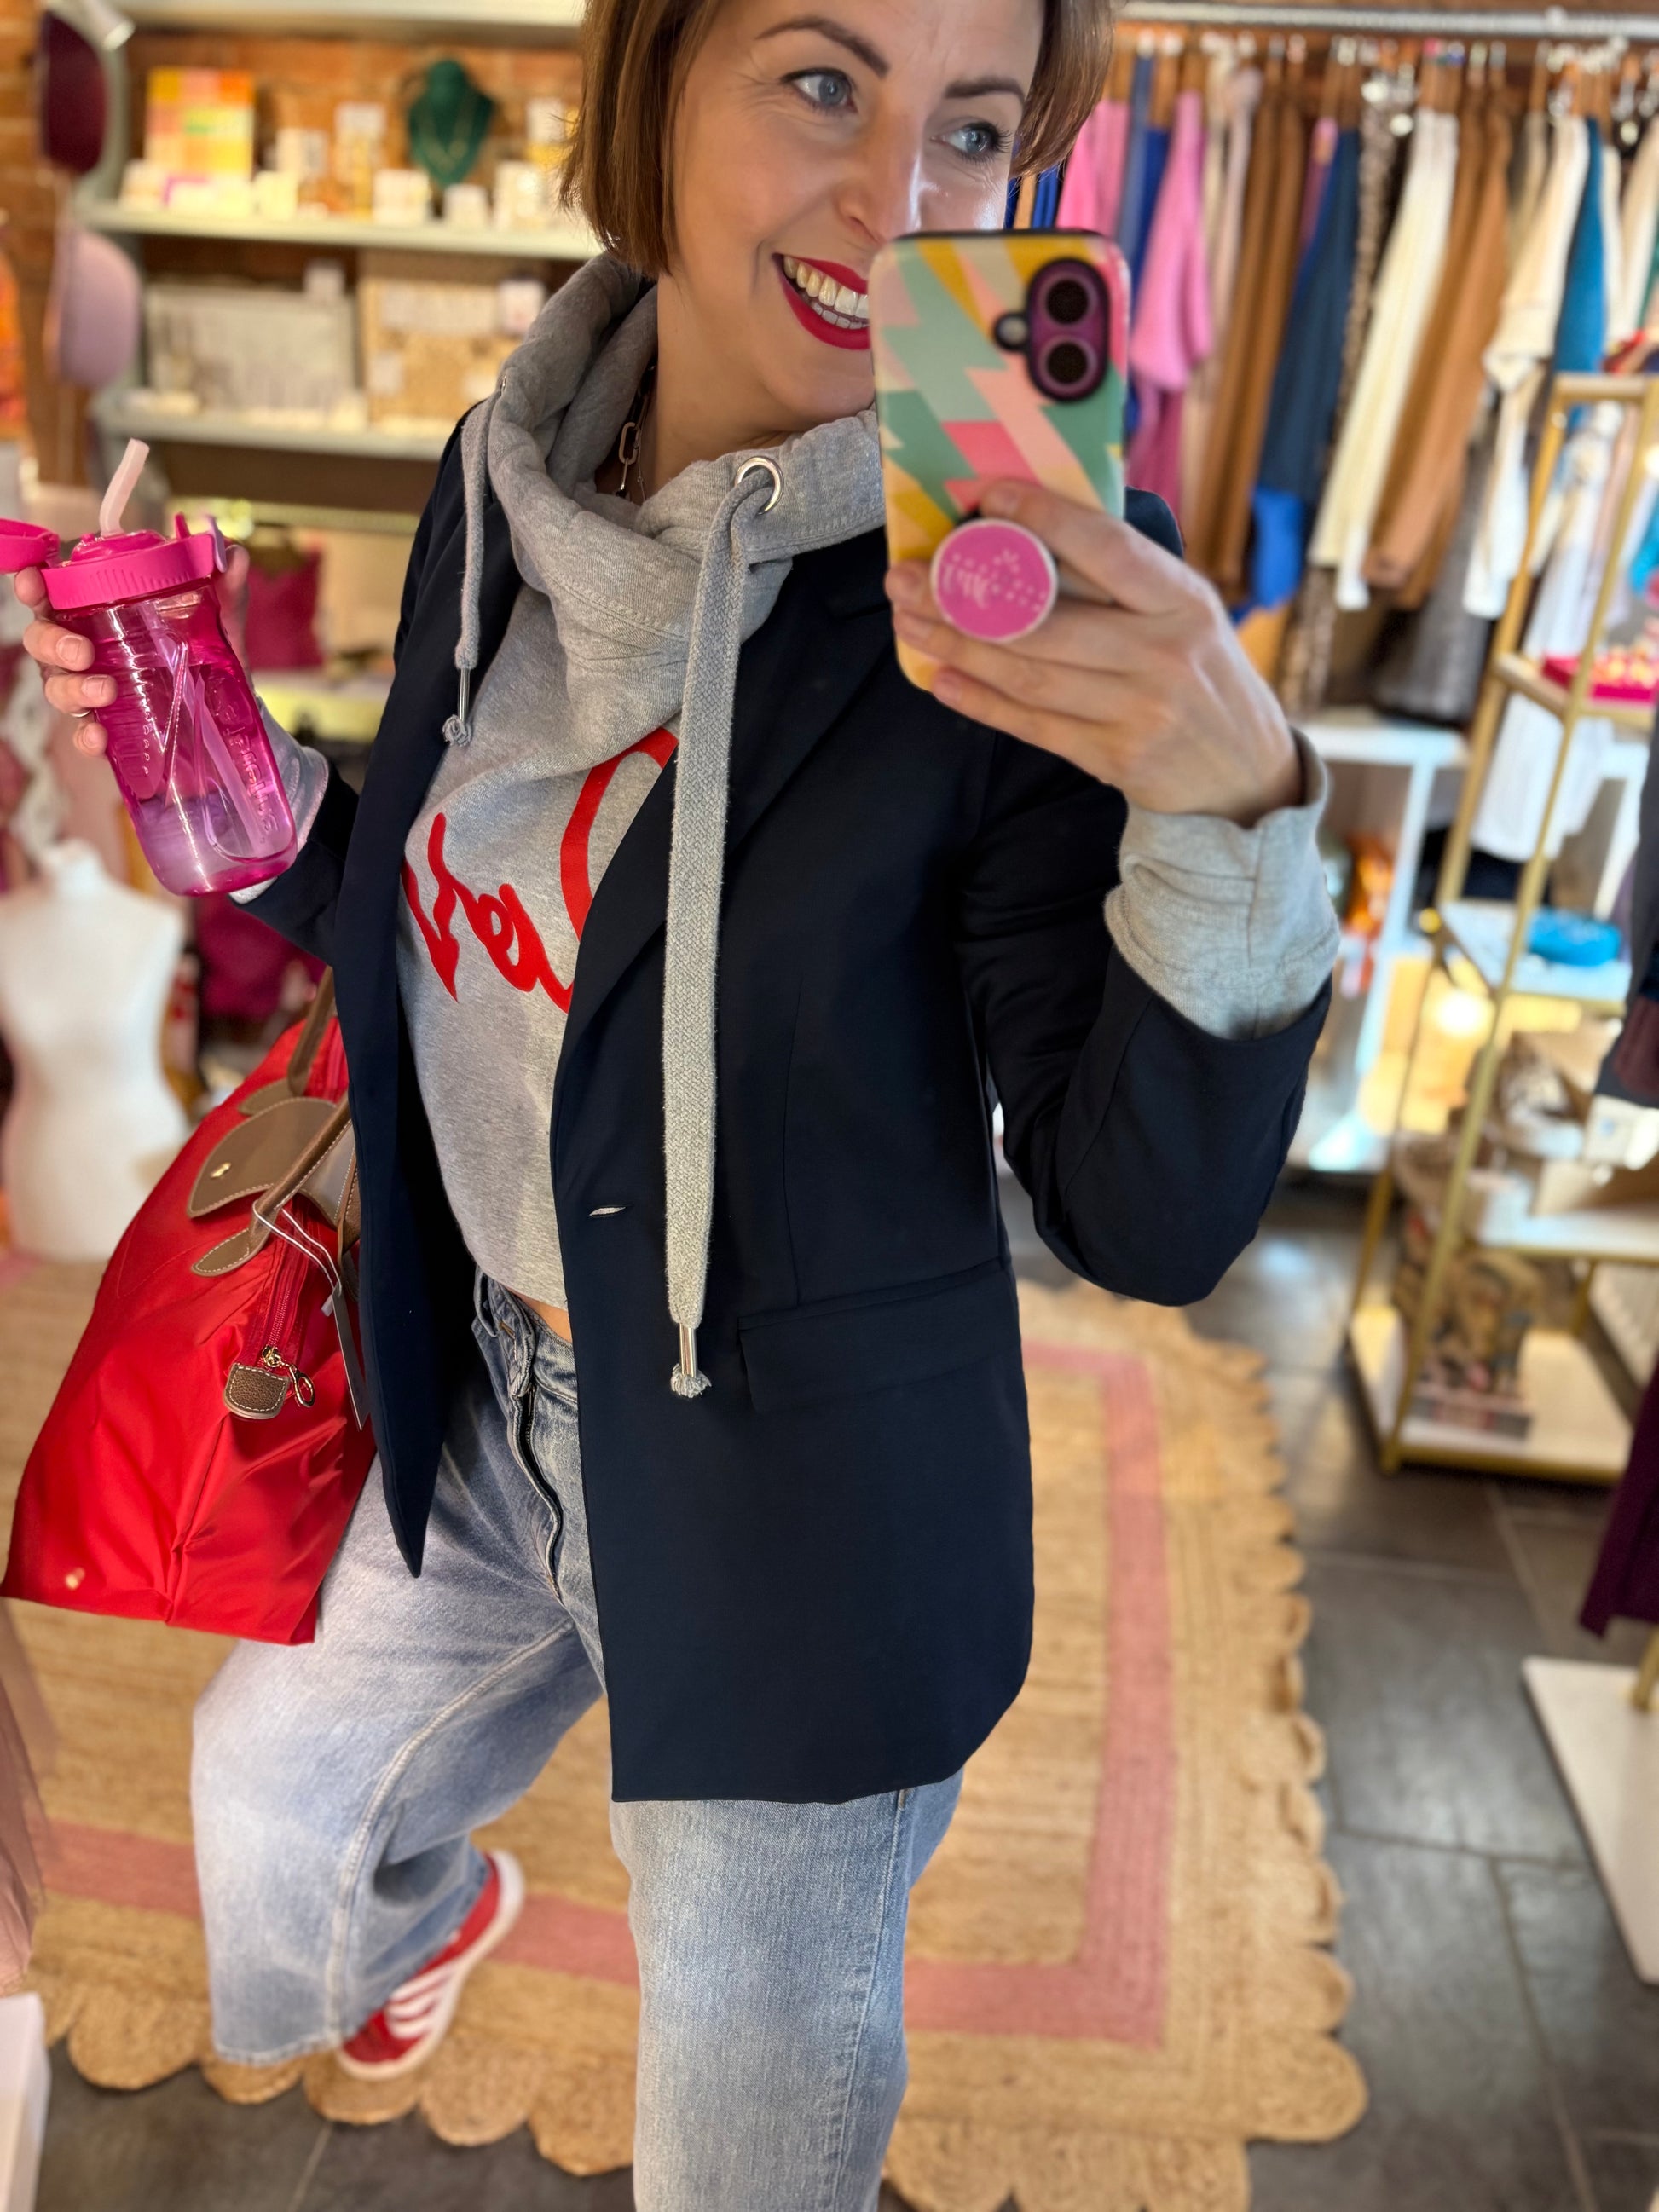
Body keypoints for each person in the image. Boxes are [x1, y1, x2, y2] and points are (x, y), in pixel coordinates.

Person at [18, 0, 1338, 2200]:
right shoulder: (503, 469)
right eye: (823, 82)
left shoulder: (1003, 596)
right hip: (479, 1394)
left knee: (740, 2145)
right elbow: (447, 903)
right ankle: (436, 1921)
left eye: (972, 129)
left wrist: (1231, 804)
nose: (896, 198)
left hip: (797, 1493)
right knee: (266, 1811)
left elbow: (1140, 1210)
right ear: (654, 82)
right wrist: (231, 772)